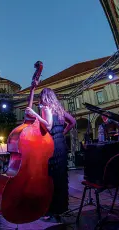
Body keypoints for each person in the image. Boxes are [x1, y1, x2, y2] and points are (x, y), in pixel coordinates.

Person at [25, 87, 76, 223]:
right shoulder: (59, 110)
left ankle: (50, 211)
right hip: (62, 144)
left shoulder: (46, 108)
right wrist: (63, 132)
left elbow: (48, 126)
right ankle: (59, 210)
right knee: (61, 178)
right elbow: (73, 122)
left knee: (51, 179)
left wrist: (35, 115)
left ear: (43, 97)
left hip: (53, 144)